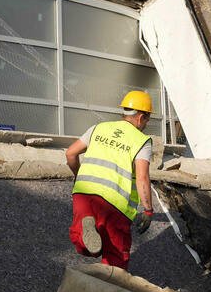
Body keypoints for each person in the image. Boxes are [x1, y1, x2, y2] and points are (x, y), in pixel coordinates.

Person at [66, 90, 156, 270]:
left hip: (83, 193)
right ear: (141, 117)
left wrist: (79, 176)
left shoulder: (98, 128)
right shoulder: (142, 141)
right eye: (147, 120)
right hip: (115, 203)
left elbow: (70, 153)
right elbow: (142, 178)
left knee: (83, 243)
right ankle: (110, 284)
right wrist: (148, 210)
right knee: (116, 257)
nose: (146, 124)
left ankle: (86, 231)